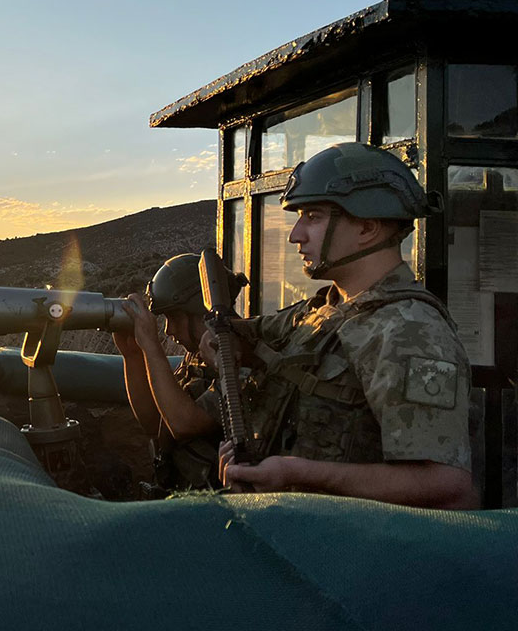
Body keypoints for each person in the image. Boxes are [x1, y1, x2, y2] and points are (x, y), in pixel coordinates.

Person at [207, 142, 476, 509]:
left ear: (367, 228)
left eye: (313, 217)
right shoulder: (324, 309)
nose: (295, 235)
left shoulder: (409, 331)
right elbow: (243, 337)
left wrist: (297, 474)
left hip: (352, 554)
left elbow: (448, 486)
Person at [112, 254, 245, 495]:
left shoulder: (239, 355)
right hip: (185, 492)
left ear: (198, 310)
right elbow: (156, 423)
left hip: (217, 503)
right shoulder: (197, 356)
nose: (168, 330)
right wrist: (132, 356)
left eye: (173, 317)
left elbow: (185, 424)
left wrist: (152, 346)